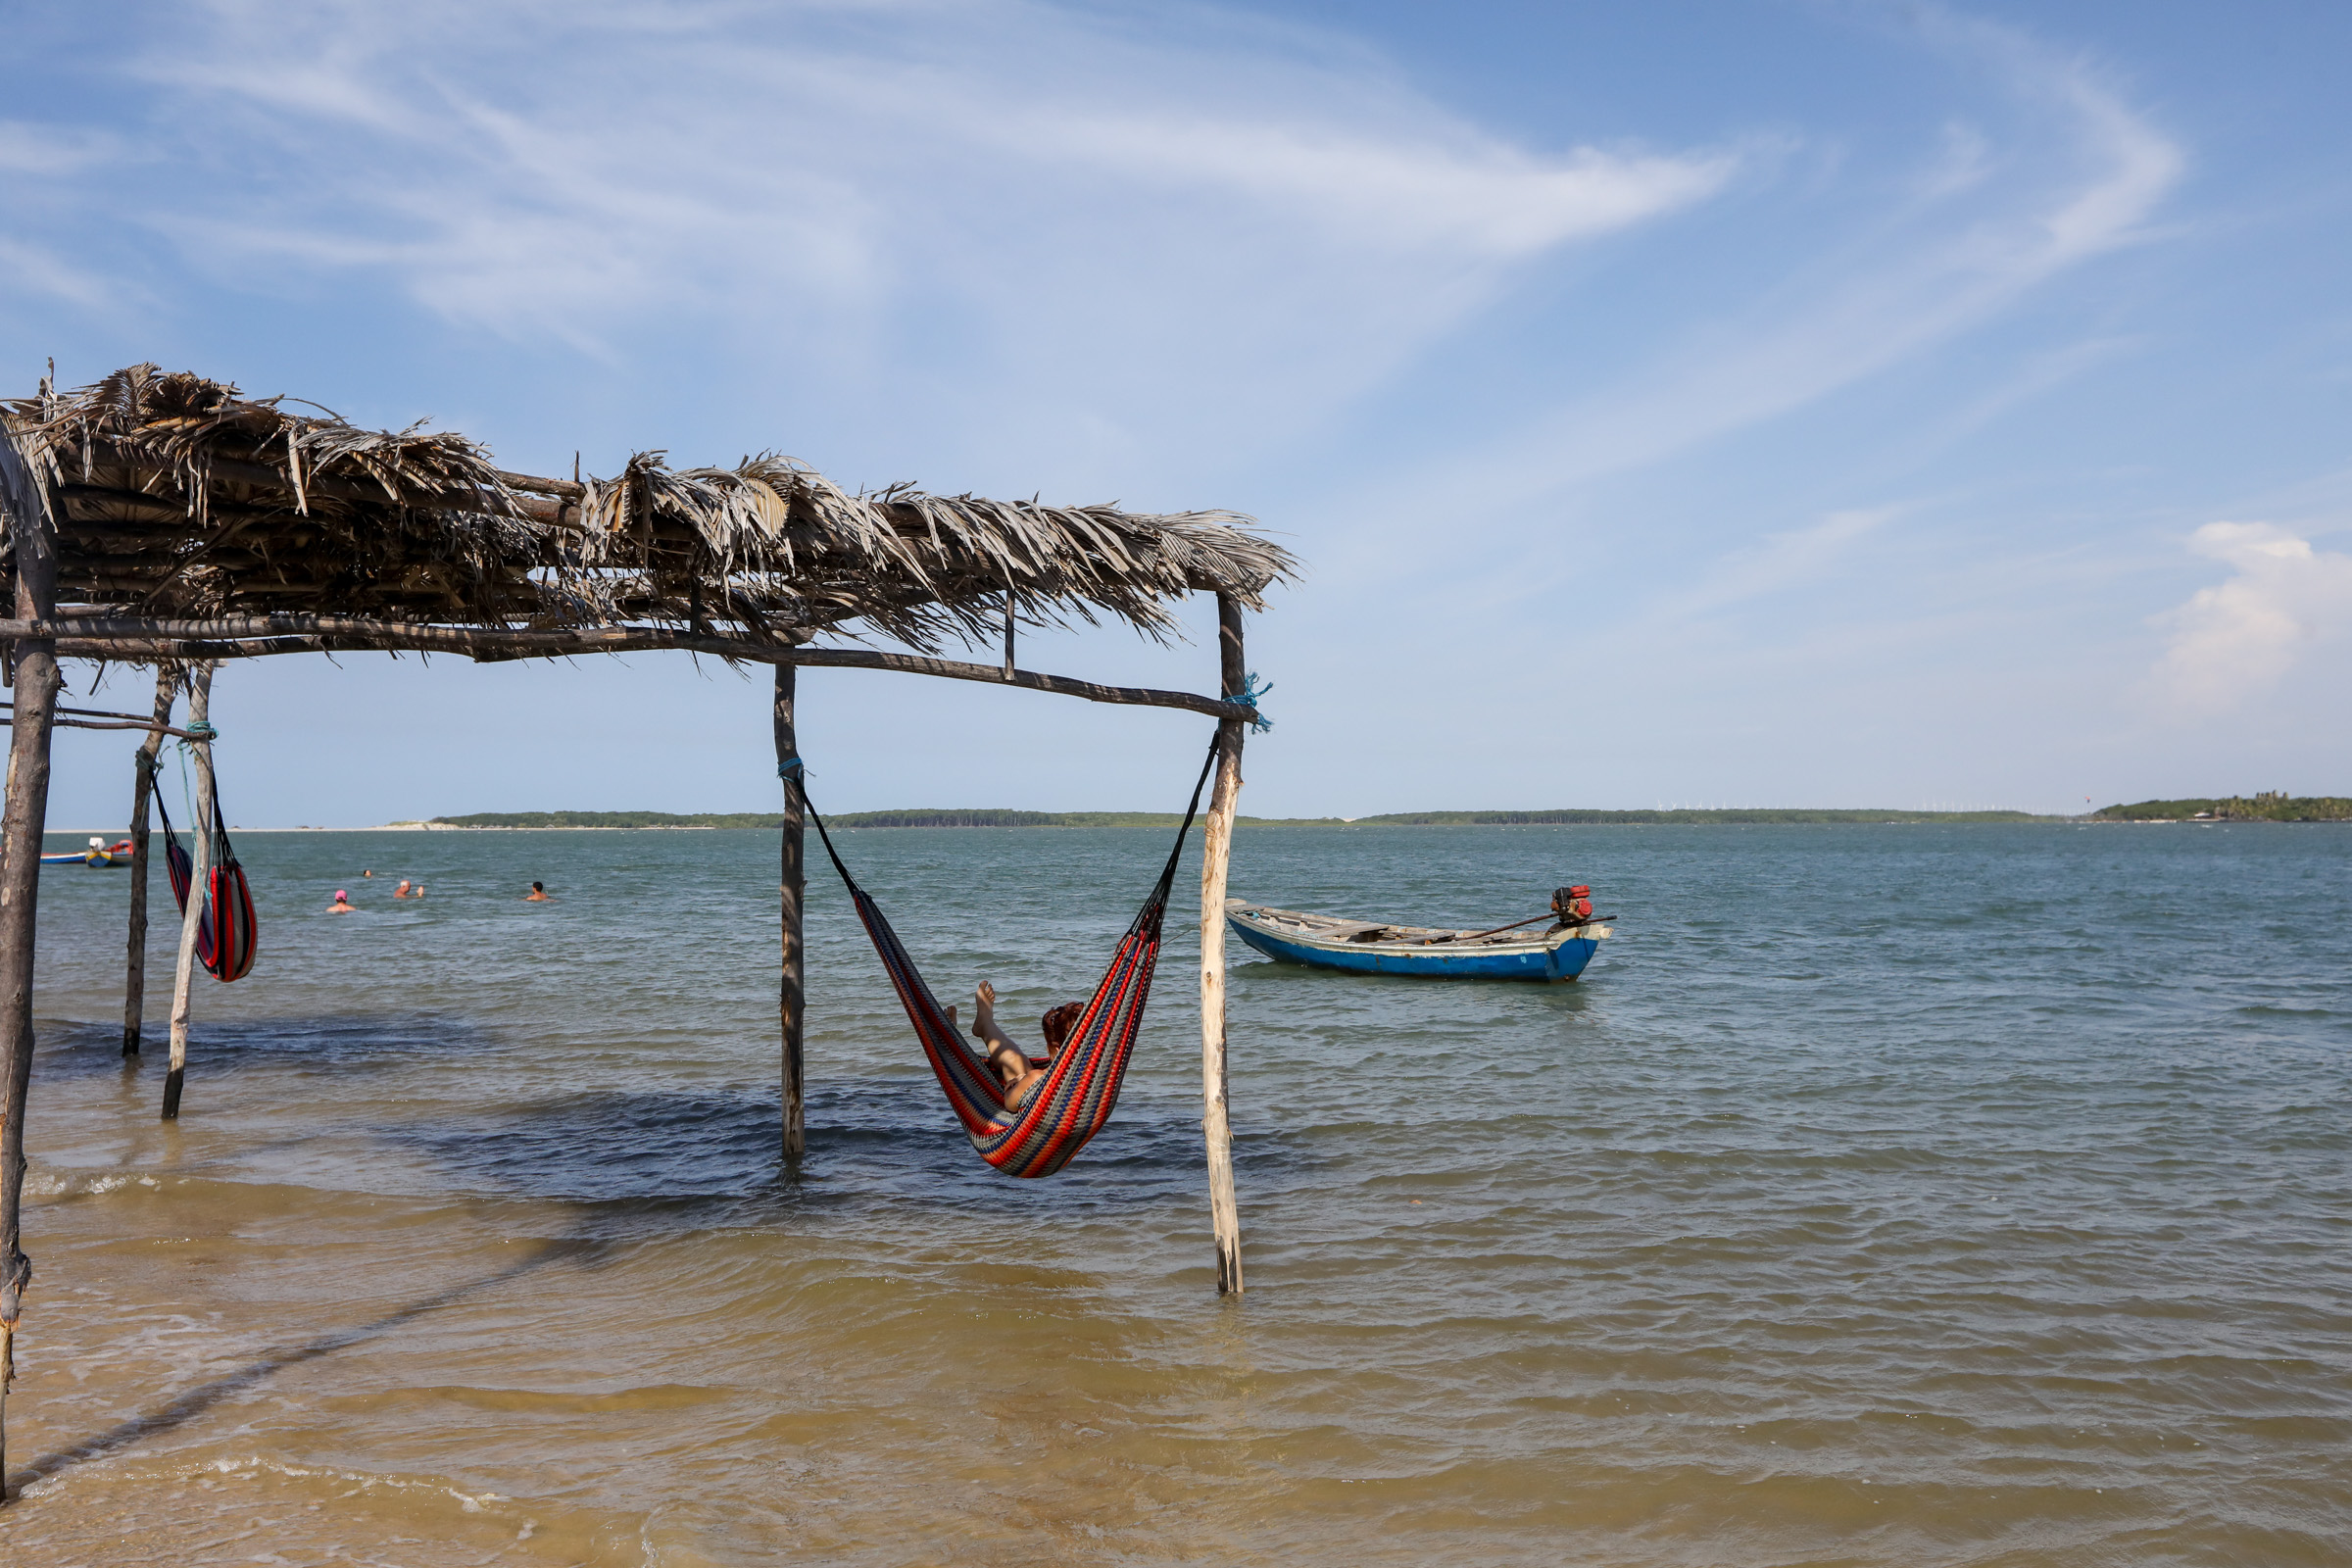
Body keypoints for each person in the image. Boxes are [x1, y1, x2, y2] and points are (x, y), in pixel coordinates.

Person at [968, 982, 1085, 1107]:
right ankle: (985, 1024)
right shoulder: (1098, 1068)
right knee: (1019, 1063)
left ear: (1057, 1049)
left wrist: (1023, 1081)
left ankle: (985, 1024)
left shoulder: (1036, 1079)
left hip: (1034, 1109)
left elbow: (1009, 1102)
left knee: (1016, 1060)